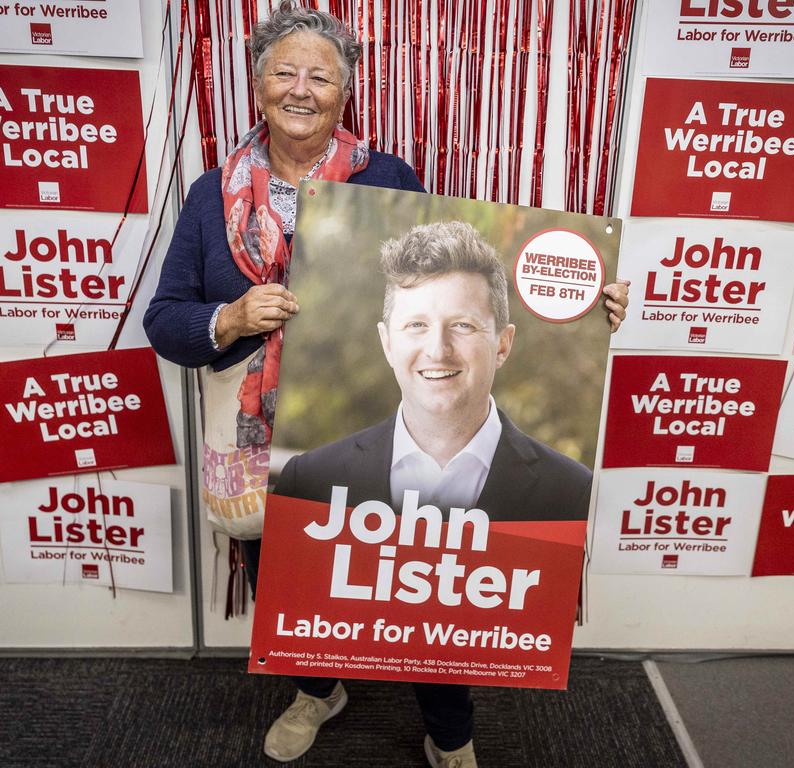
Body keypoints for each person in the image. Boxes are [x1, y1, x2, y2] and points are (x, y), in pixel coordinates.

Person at [143, 4, 628, 766]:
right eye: (284, 71)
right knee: (292, 587)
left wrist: (582, 307)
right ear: (257, 81)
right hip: (256, 445)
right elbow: (165, 320)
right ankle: (317, 689)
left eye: (320, 75)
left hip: (386, 428)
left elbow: (448, 294)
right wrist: (231, 316)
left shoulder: (388, 181)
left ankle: (450, 734)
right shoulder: (212, 194)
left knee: (427, 585)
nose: (300, 88)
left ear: (344, 91)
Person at [274, 220, 594, 525]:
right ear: (387, 343)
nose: (438, 350)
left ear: (503, 345)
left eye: (463, 325)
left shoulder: (574, 496)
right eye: (417, 325)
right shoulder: (310, 483)